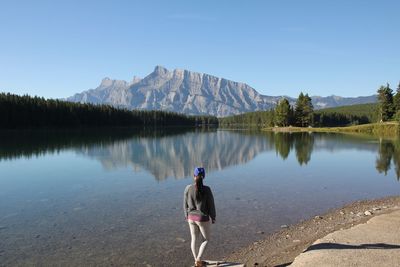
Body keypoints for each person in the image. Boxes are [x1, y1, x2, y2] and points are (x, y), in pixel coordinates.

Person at [183, 167, 216, 267]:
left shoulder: (188, 188)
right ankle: (199, 259)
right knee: (206, 240)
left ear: (194, 176)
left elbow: (184, 204)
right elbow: (211, 205)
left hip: (190, 217)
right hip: (202, 218)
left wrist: (186, 216)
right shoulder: (207, 189)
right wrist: (213, 217)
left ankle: (196, 261)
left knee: (193, 239)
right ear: (204, 177)